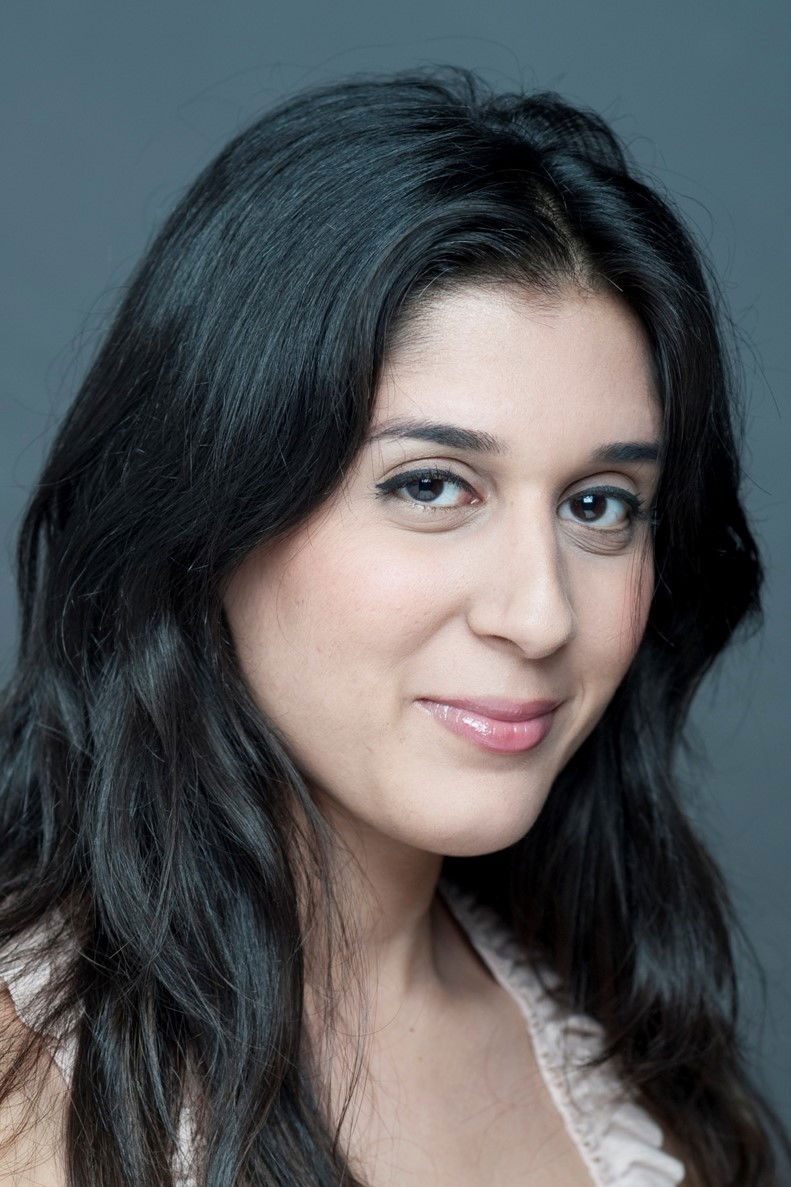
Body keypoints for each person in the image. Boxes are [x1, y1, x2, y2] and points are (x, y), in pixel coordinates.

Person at [0, 64, 788, 1187]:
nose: (538, 613)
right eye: (430, 485)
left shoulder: (620, 1028)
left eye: (598, 504)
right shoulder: (27, 1088)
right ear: (210, 505)